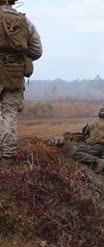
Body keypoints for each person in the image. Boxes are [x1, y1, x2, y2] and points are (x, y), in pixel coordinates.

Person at [0, 0, 42, 167]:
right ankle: (7, 158)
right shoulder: (26, 22)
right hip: (14, 74)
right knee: (8, 114)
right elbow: (37, 50)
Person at [71, 105, 104, 179]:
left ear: (99, 114)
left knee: (74, 152)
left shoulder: (92, 123)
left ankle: (97, 161)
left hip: (93, 147)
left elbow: (84, 136)